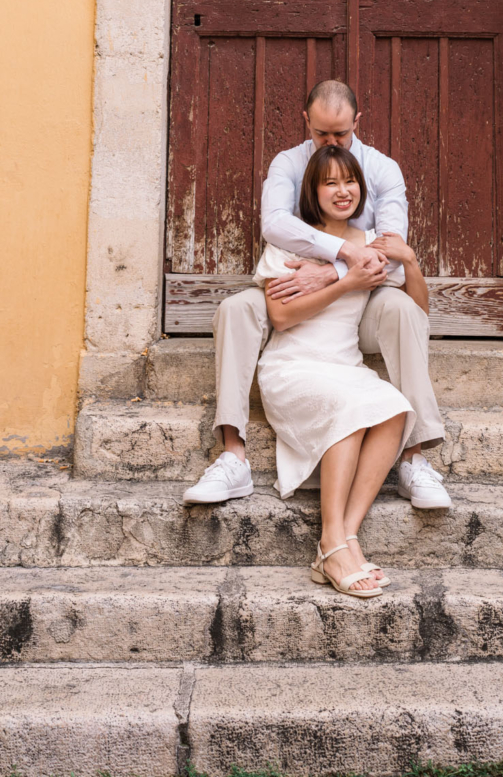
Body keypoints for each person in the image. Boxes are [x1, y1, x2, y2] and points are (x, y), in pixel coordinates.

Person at [183, 79, 451, 510]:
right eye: (320, 133)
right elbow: (275, 225)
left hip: (357, 301)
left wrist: (328, 273)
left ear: (357, 123)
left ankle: (415, 457)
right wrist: (342, 255)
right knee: (235, 309)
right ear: (305, 121)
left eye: (340, 134)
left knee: (402, 310)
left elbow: (389, 251)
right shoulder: (288, 164)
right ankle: (232, 455)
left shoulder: (382, 170)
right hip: (289, 283)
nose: (330, 141)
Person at [255, 143, 426, 597]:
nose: (342, 190)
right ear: (312, 191)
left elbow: (419, 312)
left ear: (362, 188)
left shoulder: (372, 247)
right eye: (329, 182)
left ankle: (342, 538)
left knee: (395, 408)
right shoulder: (288, 241)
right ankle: (332, 540)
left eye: (349, 181)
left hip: (344, 366)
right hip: (293, 367)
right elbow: (281, 316)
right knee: (349, 408)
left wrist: (408, 261)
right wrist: (346, 280)